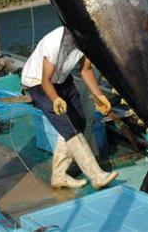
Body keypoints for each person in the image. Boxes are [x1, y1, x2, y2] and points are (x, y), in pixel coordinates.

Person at [21, 26, 118, 190]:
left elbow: (86, 70)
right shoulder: (54, 44)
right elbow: (46, 80)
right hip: (38, 82)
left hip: (63, 79)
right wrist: (56, 99)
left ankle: (58, 175)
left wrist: (100, 96)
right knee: (70, 127)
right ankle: (97, 176)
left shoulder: (88, 40)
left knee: (78, 122)